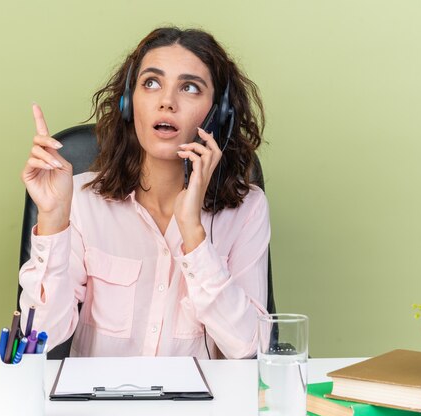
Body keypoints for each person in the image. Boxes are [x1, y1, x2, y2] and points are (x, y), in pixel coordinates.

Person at [19, 27, 270, 359]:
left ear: (218, 113)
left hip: (199, 409)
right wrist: (52, 219)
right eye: (151, 83)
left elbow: (250, 346)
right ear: (128, 102)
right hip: (99, 406)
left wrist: (194, 234)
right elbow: (41, 338)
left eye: (190, 88)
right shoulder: (82, 201)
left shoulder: (247, 209)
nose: (167, 101)